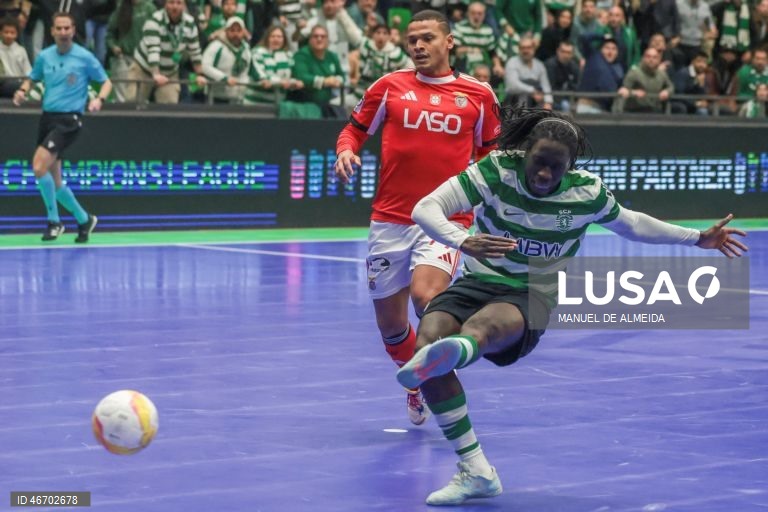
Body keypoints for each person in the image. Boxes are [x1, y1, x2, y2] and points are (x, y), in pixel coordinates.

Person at [395, 106, 748, 506]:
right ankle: (476, 470)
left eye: (556, 167)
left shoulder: (586, 192)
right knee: (427, 339)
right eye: (539, 162)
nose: (545, 174)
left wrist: (697, 238)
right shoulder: (496, 170)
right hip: (476, 281)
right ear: (525, 152)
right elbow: (425, 208)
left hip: (531, 293)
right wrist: (462, 240)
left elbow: (633, 224)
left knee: (481, 328)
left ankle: (455, 352)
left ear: (570, 166)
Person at [334, 9, 500, 425]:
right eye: (412, 41)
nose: (419, 46)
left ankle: (447, 365)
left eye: (427, 38)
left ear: (449, 42)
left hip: (446, 218)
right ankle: (417, 381)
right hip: (390, 220)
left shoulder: (478, 95)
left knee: (427, 297)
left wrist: (488, 200)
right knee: (391, 328)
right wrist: (346, 151)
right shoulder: (389, 86)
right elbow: (354, 129)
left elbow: (490, 156)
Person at [12, 11, 111, 243]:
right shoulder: (45, 56)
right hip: (47, 119)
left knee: (38, 166)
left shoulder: (84, 57)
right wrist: (23, 91)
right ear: (53, 31)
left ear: (73, 31)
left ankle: (54, 221)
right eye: (59, 28)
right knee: (55, 182)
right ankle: (84, 219)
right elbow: (32, 78)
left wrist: (99, 99)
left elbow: (106, 82)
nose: (63, 32)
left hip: (69, 120)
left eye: (67, 28)